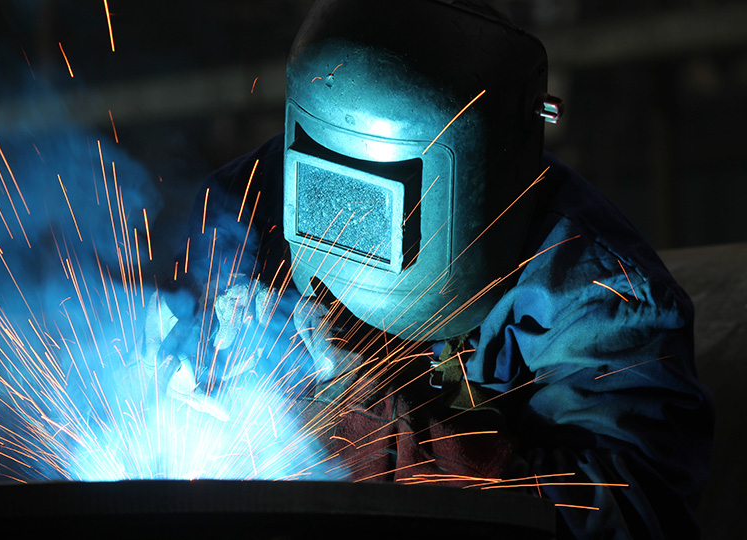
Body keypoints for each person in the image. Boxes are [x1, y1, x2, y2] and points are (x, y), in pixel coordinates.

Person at [139, 1, 713, 537]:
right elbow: (183, 325)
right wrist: (194, 361)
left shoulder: (598, 297)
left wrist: (383, 443)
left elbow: (638, 511)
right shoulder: (250, 203)